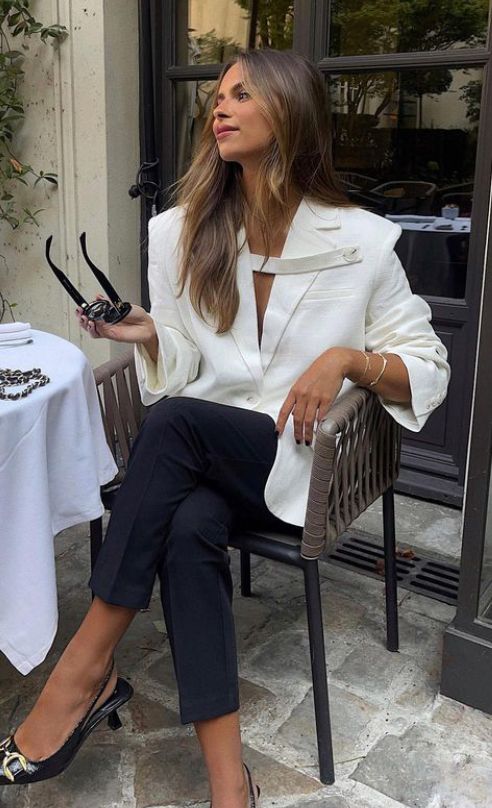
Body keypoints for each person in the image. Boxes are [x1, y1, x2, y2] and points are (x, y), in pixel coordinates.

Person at [0, 49, 449, 806]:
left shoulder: (360, 242)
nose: (220, 107)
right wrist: (148, 336)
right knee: (186, 524)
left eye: (242, 94)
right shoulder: (179, 232)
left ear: (289, 114)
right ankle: (227, 786)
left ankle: (84, 670)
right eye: (216, 95)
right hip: (210, 460)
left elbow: (428, 365)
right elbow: (185, 367)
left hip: (299, 460)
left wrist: (345, 358)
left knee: (171, 427)